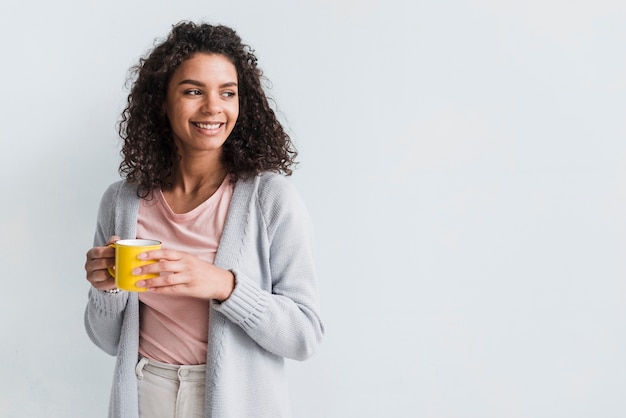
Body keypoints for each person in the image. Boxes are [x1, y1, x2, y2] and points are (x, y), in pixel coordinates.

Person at [84, 21, 323, 418]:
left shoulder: (270, 199)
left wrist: (224, 286)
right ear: (162, 101)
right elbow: (108, 341)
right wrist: (106, 290)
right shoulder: (122, 201)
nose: (213, 108)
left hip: (234, 400)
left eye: (227, 93)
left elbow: (304, 336)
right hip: (145, 393)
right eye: (194, 91)